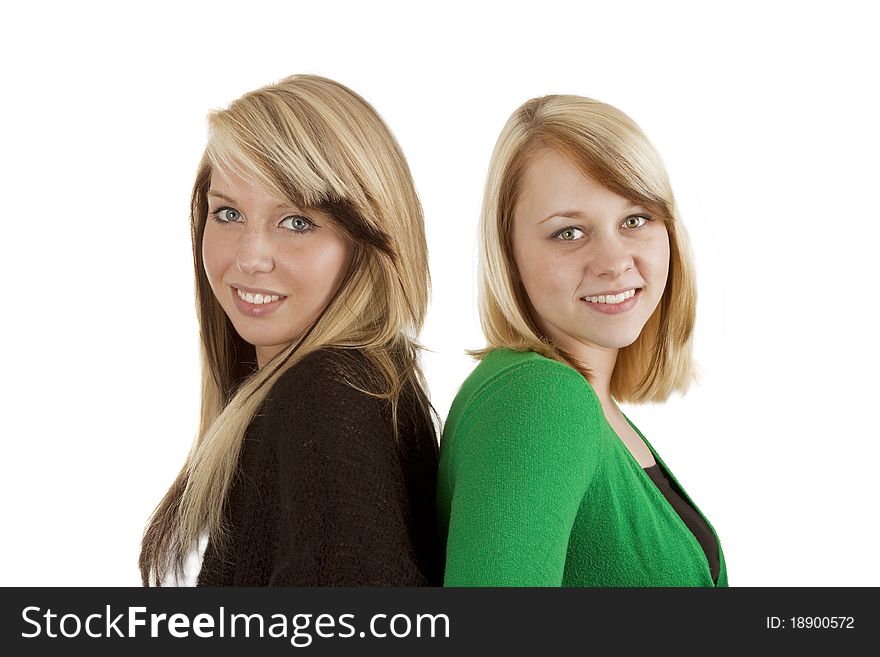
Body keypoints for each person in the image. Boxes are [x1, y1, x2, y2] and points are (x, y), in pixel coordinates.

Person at [140, 74, 441, 586]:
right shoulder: (348, 385)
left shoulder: (329, 395)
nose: (250, 257)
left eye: (298, 221)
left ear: (368, 240)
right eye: (228, 213)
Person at [437, 94, 728, 586]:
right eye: (569, 233)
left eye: (636, 220)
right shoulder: (539, 398)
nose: (614, 261)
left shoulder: (583, 402)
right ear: (508, 255)